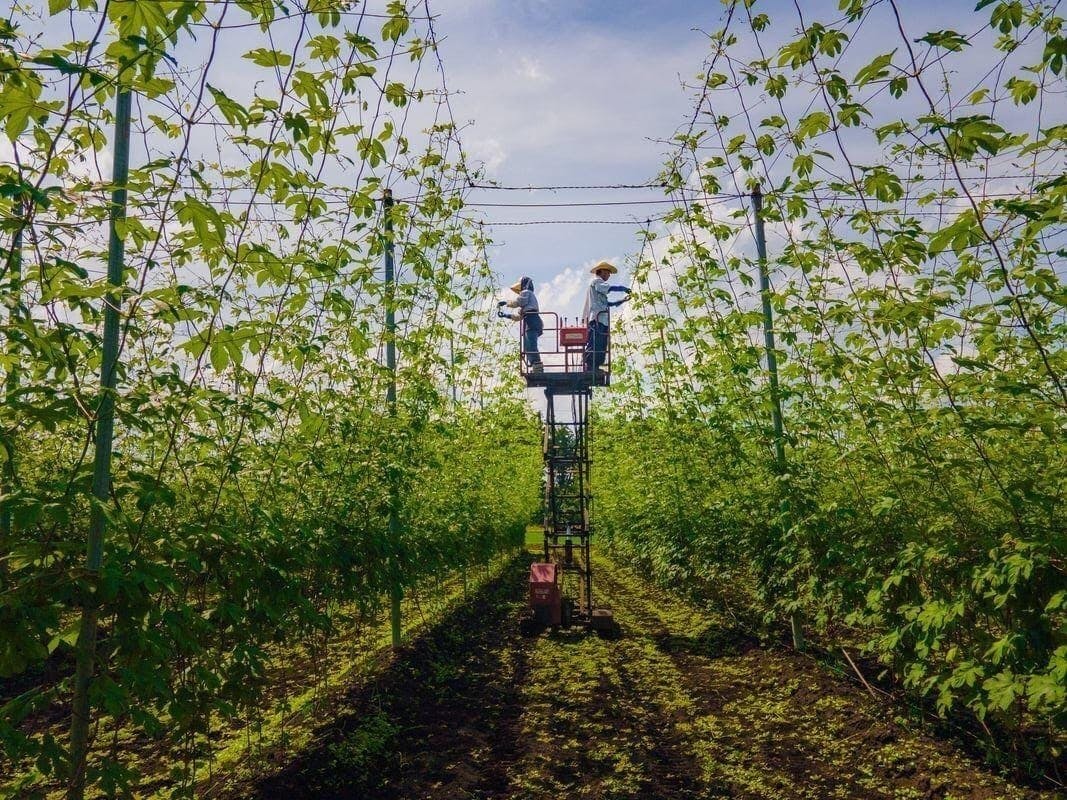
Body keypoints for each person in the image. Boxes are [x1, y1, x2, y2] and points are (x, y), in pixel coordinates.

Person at [582, 261, 630, 372]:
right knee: (595, 343)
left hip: (602, 319)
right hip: (597, 319)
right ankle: (590, 366)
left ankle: (596, 366)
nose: (609, 275)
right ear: (602, 272)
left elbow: (606, 304)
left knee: (601, 344)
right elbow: (609, 288)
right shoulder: (596, 282)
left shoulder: (599, 288)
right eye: (608, 273)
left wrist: (621, 301)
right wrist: (623, 288)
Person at [503, 276, 543, 372]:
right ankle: (535, 365)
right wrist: (507, 315)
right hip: (530, 321)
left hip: (532, 320)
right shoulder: (526, 302)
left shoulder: (526, 293)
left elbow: (518, 302)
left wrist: (506, 302)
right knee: (528, 345)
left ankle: (537, 366)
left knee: (531, 345)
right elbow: (518, 317)